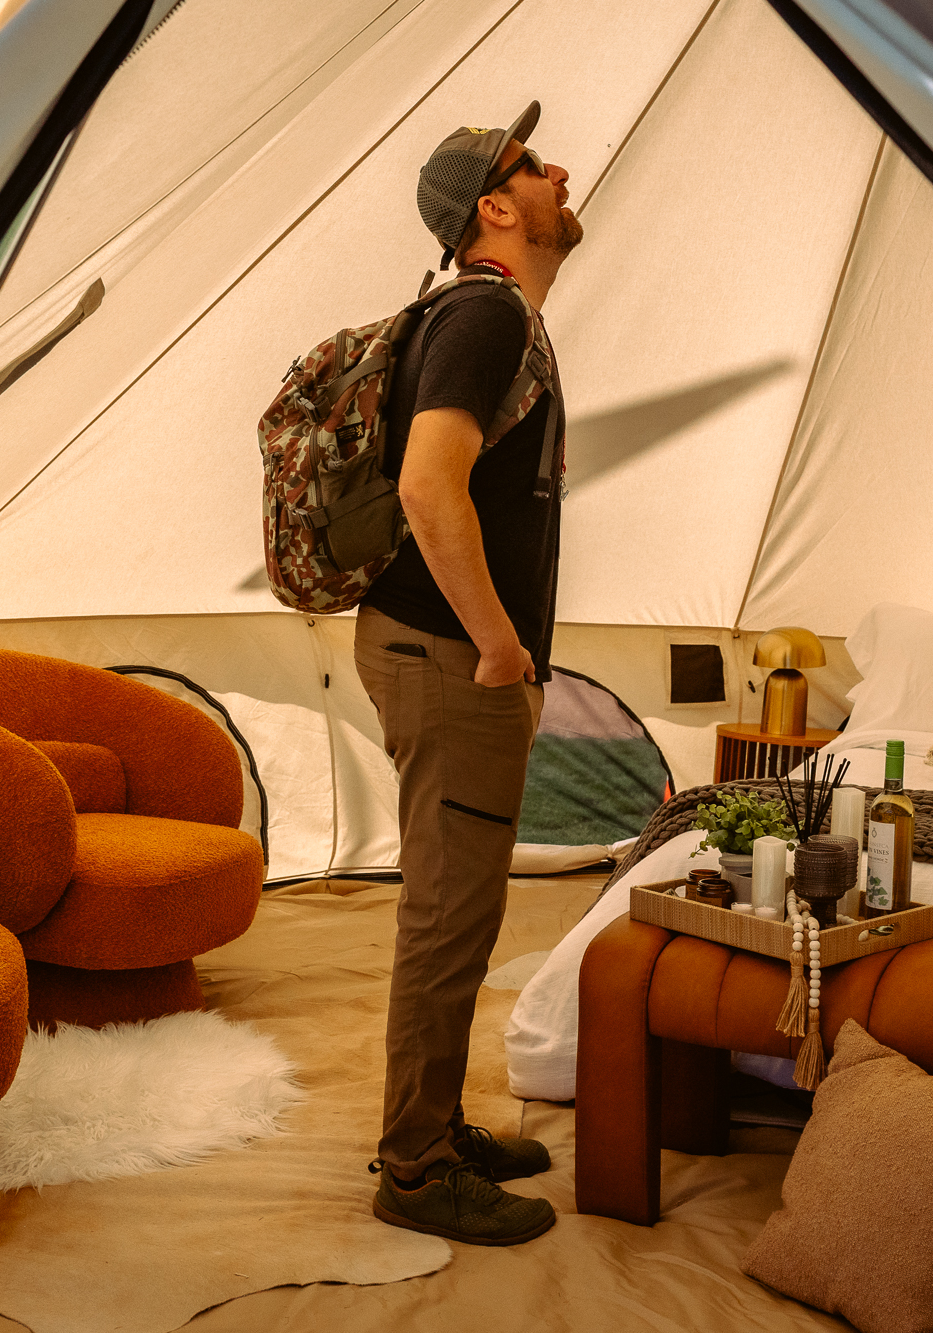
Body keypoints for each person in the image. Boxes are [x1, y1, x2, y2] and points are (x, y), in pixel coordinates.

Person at [352, 101, 583, 1247]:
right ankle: (412, 1169)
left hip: (441, 653)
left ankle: (434, 1125)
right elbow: (427, 488)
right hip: (449, 659)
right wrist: (498, 644)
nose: (559, 173)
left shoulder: (489, 319)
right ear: (494, 206)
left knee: (464, 906)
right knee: (447, 917)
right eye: (534, 166)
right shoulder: (484, 315)